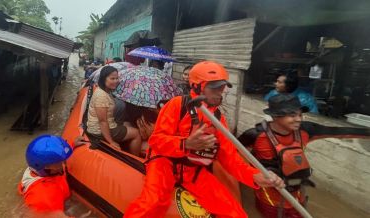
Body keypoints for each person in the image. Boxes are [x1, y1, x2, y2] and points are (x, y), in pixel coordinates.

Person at [124, 61, 285, 218]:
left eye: (222, 87)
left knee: (233, 211)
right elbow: (157, 141)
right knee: (152, 202)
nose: (220, 92)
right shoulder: (177, 105)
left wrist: (254, 176)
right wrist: (185, 143)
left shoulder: (218, 119)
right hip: (163, 162)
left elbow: (229, 158)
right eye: (214, 87)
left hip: (193, 168)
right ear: (196, 86)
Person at [238, 94, 370, 218]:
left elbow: (339, 132)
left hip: (297, 191)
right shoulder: (254, 135)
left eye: (300, 115)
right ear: (275, 116)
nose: (298, 119)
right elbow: (233, 155)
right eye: (292, 115)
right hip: (269, 195)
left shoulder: (306, 130)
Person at [86, 66, 142, 156]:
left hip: (109, 124)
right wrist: (111, 142)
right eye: (112, 78)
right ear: (104, 79)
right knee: (136, 133)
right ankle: (135, 158)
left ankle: (128, 145)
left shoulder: (106, 91)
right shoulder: (101, 96)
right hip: (99, 131)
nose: (116, 81)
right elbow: (102, 121)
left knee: (128, 123)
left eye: (117, 78)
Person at [18, 135, 73, 216]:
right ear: (46, 166)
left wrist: (73, 145)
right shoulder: (44, 197)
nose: (63, 162)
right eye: (58, 162)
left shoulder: (38, 167)